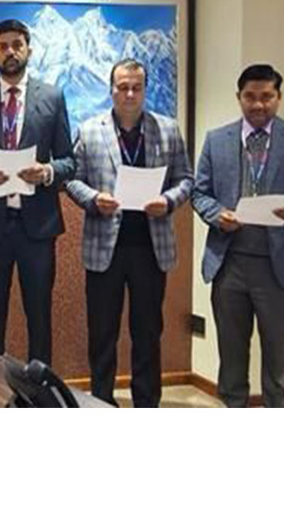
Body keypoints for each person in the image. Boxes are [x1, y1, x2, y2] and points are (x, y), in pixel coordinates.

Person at [192, 64, 284, 408]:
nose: (258, 104)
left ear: (279, 97)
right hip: (229, 265)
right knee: (231, 360)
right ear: (239, 97)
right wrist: (216, 215)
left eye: (267, 96)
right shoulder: (216, 140)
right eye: (250, 96)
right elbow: (199, 192)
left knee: (279, 362)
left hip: (279, 268)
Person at [65, 59, 193, 407]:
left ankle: (146, 404)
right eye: (123, 87)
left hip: (150, 247)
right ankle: (101, 401)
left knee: (148, 332)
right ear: (112, 90)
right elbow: (72, 179)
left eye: (137, 87)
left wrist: (168, 201)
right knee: (102, 333)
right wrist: (94, 199)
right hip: (104, 247)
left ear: (146, 90)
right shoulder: (90, 130)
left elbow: (186, 179)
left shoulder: (168, 130)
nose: (130, 94)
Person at [0, 19, 74, 364]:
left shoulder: (52, 97)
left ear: (29, 50)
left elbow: (69, 161)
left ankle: (39, 387)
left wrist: (47, 172)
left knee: (40, 315)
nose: (10, 52)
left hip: (38, 226)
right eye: (2, 46)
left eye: (17, 45)